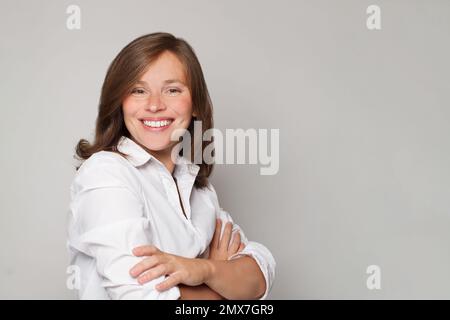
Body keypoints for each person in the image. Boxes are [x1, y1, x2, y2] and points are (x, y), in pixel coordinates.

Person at [67, 32, 275, 300]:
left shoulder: (201, 190)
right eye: (138, 91)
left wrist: (204, 270)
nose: (155, 105)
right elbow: (140, 296)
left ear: (196, 104)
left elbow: (261, 272)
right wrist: (222, 286)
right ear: (120, 101)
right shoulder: (106, 172)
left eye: (172, 90)